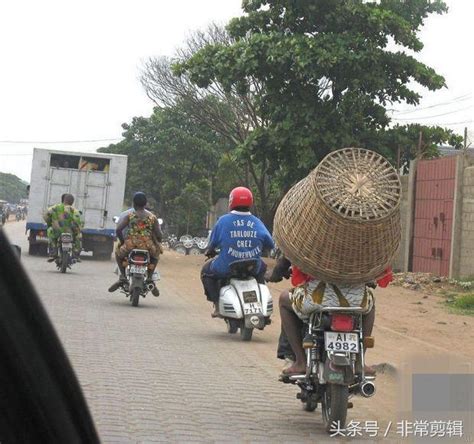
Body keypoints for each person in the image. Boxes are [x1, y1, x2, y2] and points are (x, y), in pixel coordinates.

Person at [268, 256, 391, 376]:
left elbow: (292, 253)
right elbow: (380, 271)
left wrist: (278, 271)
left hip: (318, 299)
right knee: (370, 303)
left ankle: (300, 362)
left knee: (284, 299)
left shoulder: (312, 239)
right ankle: (359, 362)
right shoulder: (363, 243)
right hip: (356, 301)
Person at [201, 186, 275, 317]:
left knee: (206, 271)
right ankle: (260, 304)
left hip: (226, 267)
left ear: (231, 202)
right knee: (262, 269)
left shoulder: (223, 221)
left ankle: (217, 304)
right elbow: (270, 243)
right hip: (253, 267)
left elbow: (212, 243)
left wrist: (210, 251)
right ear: (250, 203)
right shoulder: (257, 222)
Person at [108, 192, 162, 296]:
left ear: (133, 204)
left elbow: (119, 229)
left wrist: (123, 241)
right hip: (148, 246)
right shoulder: (152, 218)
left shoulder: (130, 216)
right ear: (145, 204)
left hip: (130, 245)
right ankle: (150, 278)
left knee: (118, 253)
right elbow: (159, 234)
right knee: (156, 256)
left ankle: (123, 276)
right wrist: (157, 241)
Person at [44, 193, 83, 261]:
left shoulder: (54, 208)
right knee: (79, 235)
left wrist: (50, 223)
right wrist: (78, 229)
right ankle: (76, 255)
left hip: (56, 232)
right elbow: (78, 221)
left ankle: (53, 253)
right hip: (70, 233)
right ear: (72, 202)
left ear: (63, 200)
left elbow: (46, 216)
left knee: (50, 231)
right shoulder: (74, 210)